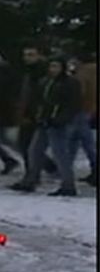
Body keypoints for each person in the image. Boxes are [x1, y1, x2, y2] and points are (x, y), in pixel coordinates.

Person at [10, 55, 83, 196]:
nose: (53, 69)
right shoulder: (46, 81)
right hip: (44, 121)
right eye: (51, 66)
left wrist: (59, 119)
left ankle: (68, 185)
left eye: (56, 66)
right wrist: (36, 115)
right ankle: (31, 180)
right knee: (34, 151)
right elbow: (39, 101)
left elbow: (72, 105)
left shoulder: (70, 83)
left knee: (61, 154)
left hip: (58, 124)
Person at [16, 44, 56, 176]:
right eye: (25, 54)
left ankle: (33, 174)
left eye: (31, 54)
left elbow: (38, 96)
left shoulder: (41, 72)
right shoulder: (29, 71)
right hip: (30, 112)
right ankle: (37, 170)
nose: (26, 58)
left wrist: (31, 113)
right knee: (26, 145)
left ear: (39, 55)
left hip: (36, 113)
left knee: (28, 145)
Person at [68, 54, 97, 186]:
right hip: (90, 109)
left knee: (83, 141)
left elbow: (80, 92)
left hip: (80, 110)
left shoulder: (82, 73)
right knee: (80, 140)